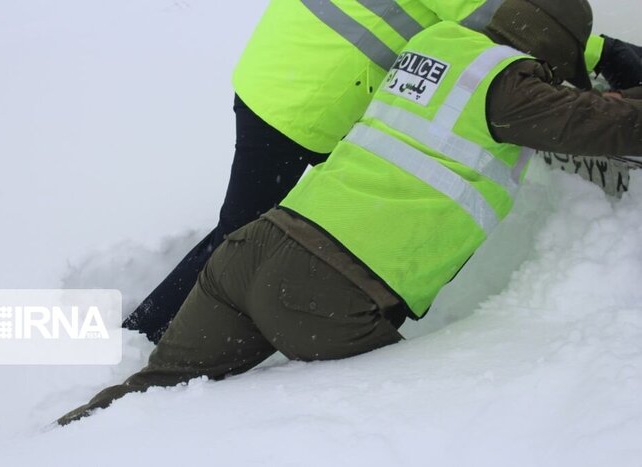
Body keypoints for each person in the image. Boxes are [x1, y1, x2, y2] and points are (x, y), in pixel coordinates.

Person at [59, 0, 642, 425]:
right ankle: (129, 331)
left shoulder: (432, 46)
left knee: (145, 393)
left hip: (254, 243)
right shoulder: (507, 89)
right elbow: (605, 126)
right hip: (323, 294)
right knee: (393, 419)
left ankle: (49, 438)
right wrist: (606, 56)